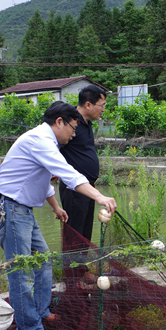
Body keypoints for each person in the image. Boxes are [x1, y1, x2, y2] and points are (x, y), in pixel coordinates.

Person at [0, 101, 117, 330]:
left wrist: (56, 207)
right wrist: (99, 196)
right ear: (59, 122)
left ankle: (40, 312)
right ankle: (29, 328)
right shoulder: (41, 140)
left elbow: (43, 179)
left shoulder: (45, 143)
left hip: (22, 210)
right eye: (72, 127)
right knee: (21, 271)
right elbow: (68, 174)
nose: (74, 133)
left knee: (44, 260)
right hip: (10, 210)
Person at [58, 84, 107, 242]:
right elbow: (54, 148)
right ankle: (71, 266)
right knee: (74, 230)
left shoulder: (86, 123)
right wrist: (54, 170)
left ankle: (81, 266)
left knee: (85, 230)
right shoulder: (70, 124)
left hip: (88, 187)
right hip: (74, 188)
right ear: (88, 104)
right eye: (102, 105)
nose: (103, 109)